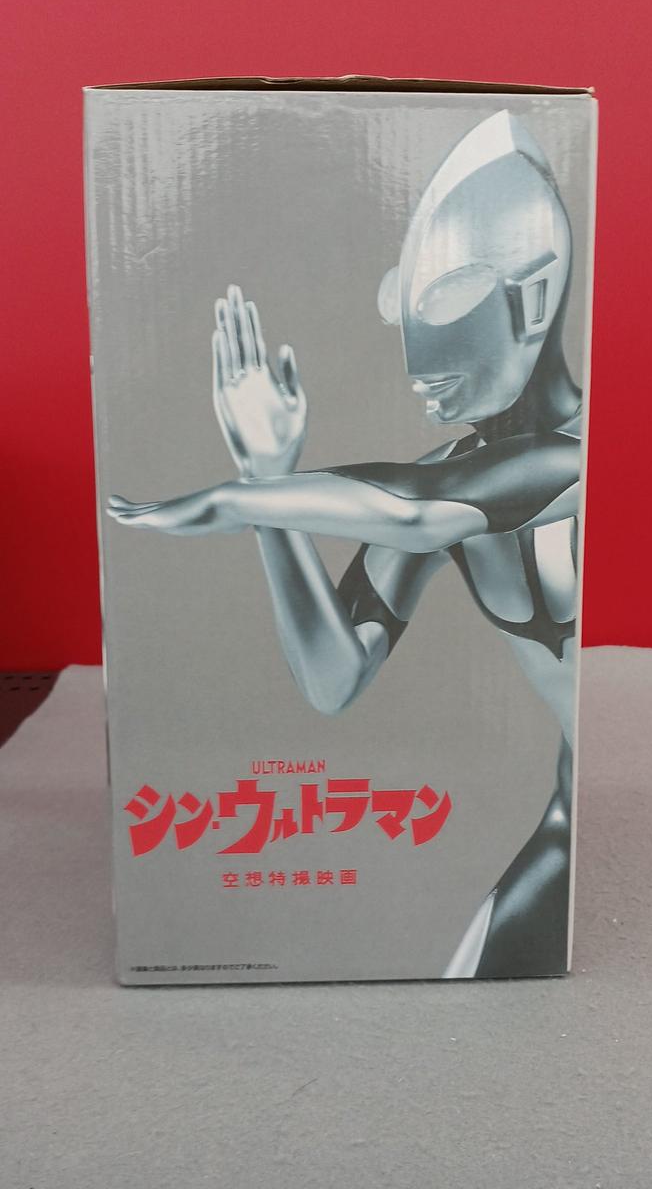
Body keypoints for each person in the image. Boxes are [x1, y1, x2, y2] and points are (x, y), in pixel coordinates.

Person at [108, 110, 583, 978]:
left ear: (533, 304)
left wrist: (230, 501)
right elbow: (333, 681)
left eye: (450, 304)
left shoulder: (575, 460)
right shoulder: (448, 476)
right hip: (563, 814)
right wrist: (267, 482)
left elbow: (419, 512)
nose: (421, 377)